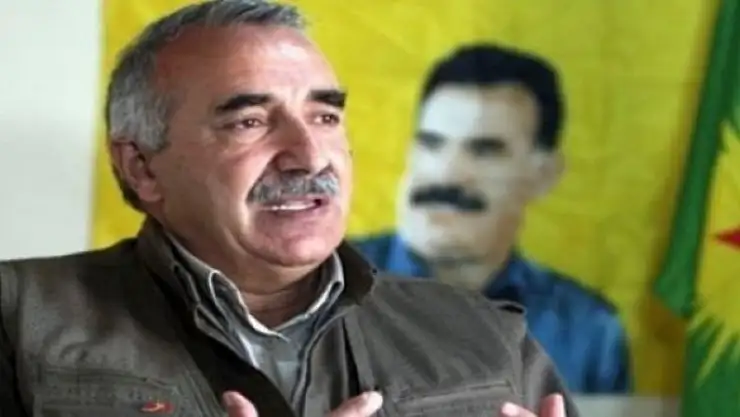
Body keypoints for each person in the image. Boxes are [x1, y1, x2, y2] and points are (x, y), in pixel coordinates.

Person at [0, 1, 577, 416]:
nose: (309, 155)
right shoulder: (18, 319)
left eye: (325, 117)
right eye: (249, 121)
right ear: (142, 166)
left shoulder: (484, 334)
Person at [352, 45, 630, 394]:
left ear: (544, 174)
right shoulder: (314, 288)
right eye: (431, 143)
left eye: (484, 151)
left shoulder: (587, 332)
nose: (447, 174)